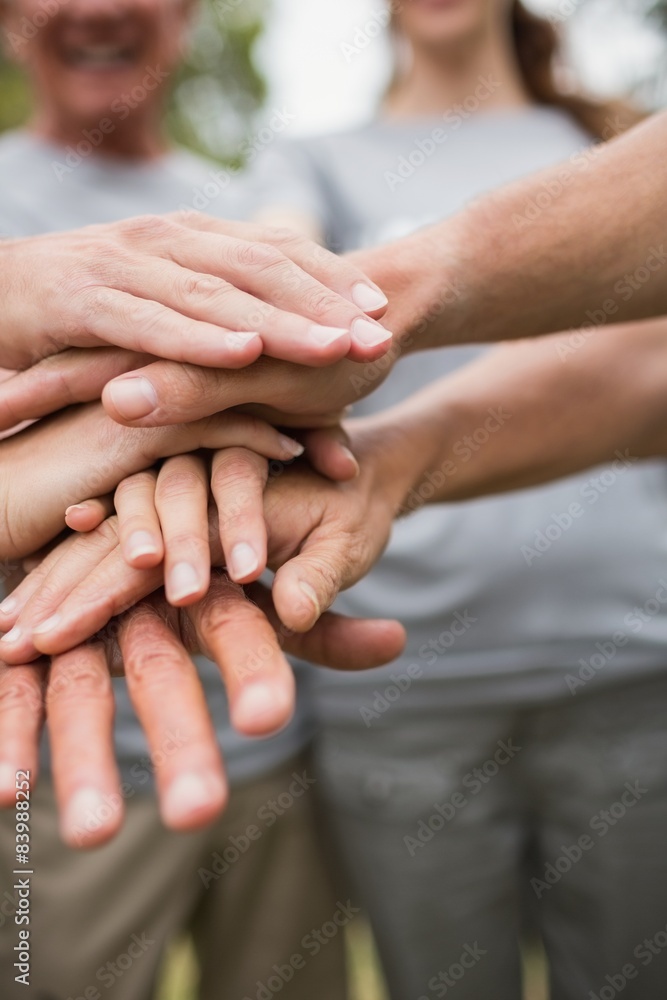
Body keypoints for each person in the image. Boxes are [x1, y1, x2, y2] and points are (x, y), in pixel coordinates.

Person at [234, 3, 667, 998]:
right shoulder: (312, 157)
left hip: (624, 657)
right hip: (409, 685)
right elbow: (271, 264)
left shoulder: (607, 145)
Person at [0, 2, 388, 998]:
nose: (93, 9)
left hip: (271, 749)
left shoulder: (243, 216)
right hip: (53, 765)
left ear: (183, 19)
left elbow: (318, 427)